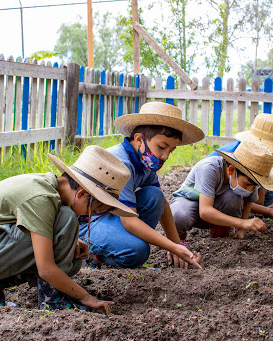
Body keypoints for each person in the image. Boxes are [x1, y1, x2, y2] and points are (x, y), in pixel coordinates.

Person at [0, 145, 136, 314]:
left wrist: (71, 241)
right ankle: (52, 301)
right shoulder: (41, 198)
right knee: (66, 220)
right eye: (94, 210)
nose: (92, 216)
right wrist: (87, 298)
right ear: (81, 194)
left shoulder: (50, 188)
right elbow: (46, 269)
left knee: (70, 258)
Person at [79, 102, 205, 269]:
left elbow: (162, 203)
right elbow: (129, 221)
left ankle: (120, 245)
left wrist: (176, 245)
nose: (165, 156)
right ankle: (94, 256)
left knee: (154, 196)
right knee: (137, 251)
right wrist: (173, 247)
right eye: (162, 147)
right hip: (86, 223)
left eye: (171, 150)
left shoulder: (146, 161)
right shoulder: (121, 164)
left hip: (109, 215)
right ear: (139, 139)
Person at [171, 140, 273, 240]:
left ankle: (220, 236)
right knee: (179, 215)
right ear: (231, 170)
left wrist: (241, 230)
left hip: (213, 211)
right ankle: (178, 241)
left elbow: (248, 203)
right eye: (247, 184)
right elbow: (205, 211)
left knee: (233, 199)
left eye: (254, 187)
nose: (250, 190)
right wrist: (243, 223)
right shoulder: (209, 168)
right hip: (191, 203)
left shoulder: (249, 177)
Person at [209, 113, 273, 217]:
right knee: (234, 198)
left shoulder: (248, 150)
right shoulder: (240, 156)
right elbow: (257, 201)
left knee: (271, 194)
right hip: (217, 190)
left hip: (237, 183)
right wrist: (268, 210)